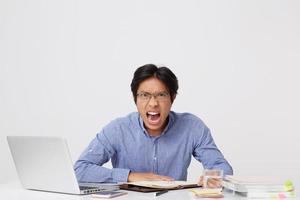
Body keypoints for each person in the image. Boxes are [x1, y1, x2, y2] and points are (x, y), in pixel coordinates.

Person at [74, 64, 233, 187]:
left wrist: (214, 177)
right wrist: (130, 176)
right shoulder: (117, 129)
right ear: (135, 98)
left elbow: (222, 167)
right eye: (144, 95)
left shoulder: (192, 127)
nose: (153, 104)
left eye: (161, 95)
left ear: (173, 97)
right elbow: (80, 170)